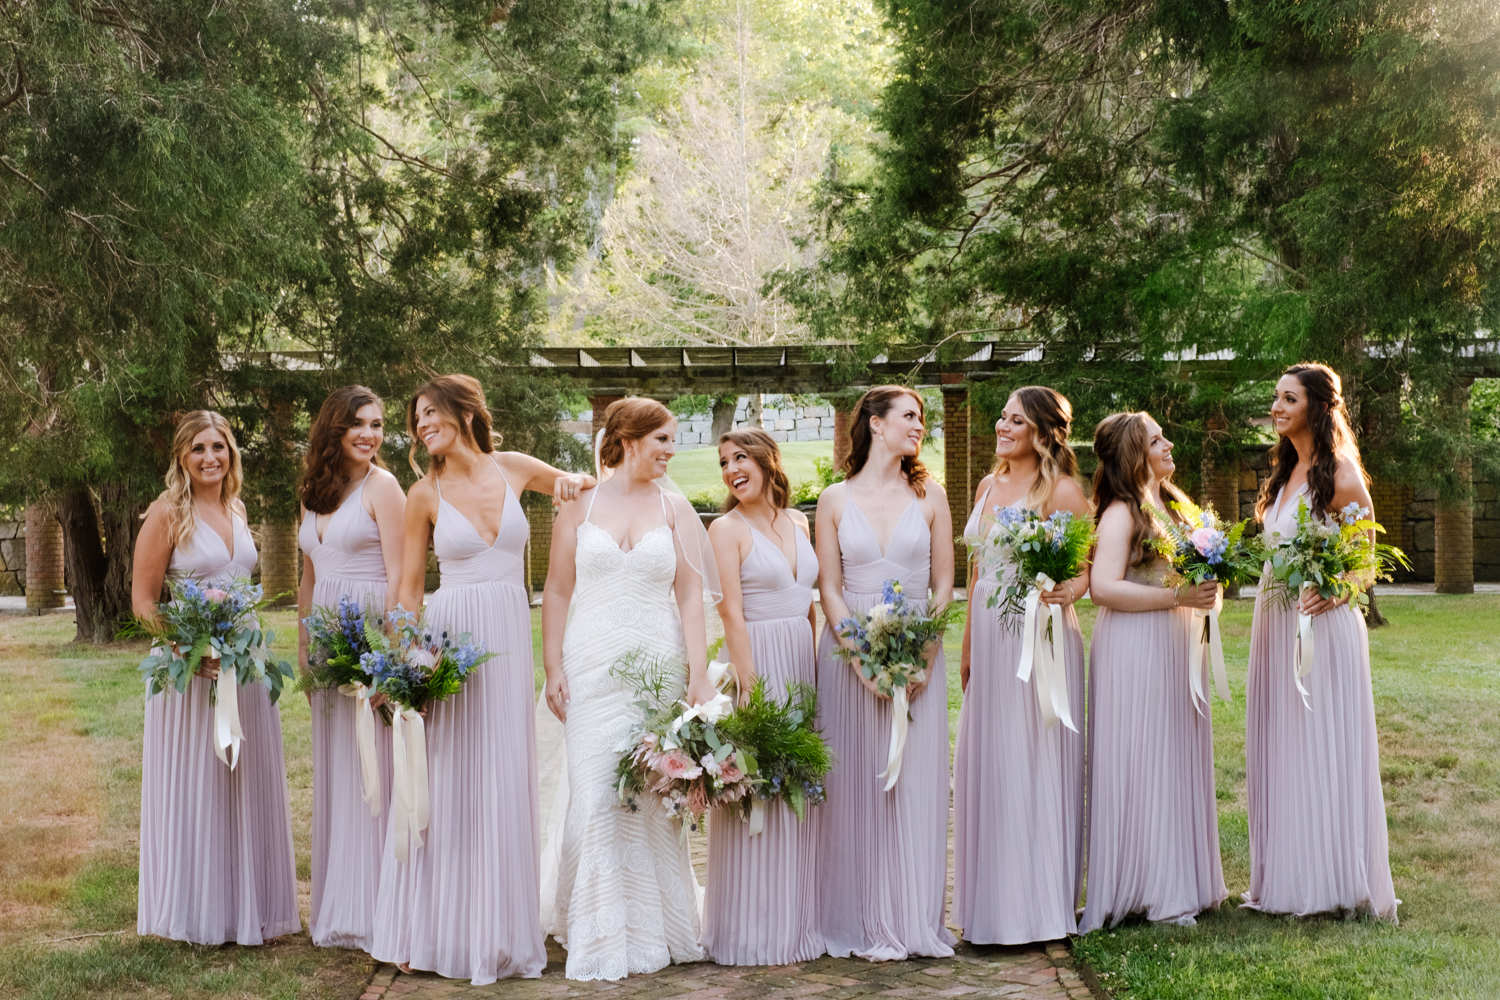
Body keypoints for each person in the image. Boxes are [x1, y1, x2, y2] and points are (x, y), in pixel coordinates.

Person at [370, 374, 592, 984]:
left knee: (501, 776)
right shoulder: (424, 492)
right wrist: (401, 667)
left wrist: (572, 482)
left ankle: (495, 932)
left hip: (507, 641)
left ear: (464, 412)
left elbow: (584, 487)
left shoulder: (514, 467)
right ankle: (427, 930)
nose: (420, 426)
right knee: (443, 780)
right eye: (415, 419)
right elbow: (410, 588)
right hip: (451, 641)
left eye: (429, 413)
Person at [541, 397, 715, 981]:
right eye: (663, 439)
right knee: (596, 794)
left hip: (658, 666)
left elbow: (691, 595)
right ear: (629, 439)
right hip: (589, 664)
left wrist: (697, 672)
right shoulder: (580, 506)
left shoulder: (675, 508)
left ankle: (658, 926)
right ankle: (598, 927)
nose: (671, 450)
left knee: (648, 793)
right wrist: (552, 665)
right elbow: (558, 591)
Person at [131, 410, 299, 945]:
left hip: (246, 665)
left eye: (219, 447)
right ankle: (194, 909)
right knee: (200, 783)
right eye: (199, 448)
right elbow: (142, 601)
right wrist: (185, 644)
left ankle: (249, 905)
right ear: (182, 456)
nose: (211, 458)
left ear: (232, 454)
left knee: (243, 779)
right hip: (192, 670)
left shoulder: (237, 506)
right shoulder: (165, 514)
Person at [1243, 363, 1398, 920]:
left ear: (1315, 407)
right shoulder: (1285, 473)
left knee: (1317, 742)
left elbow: (1366, 561)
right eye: (1275, 398)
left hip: (1321, 628)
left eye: (1288, 399)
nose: (1277, 407)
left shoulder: (1343, 475)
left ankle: (1329, 880)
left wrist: (1334, 593)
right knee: (1283, 743)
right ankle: (1286, 873)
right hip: (1276, 622)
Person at [814, 385, 956, 961]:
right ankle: (854, 914)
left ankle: (910, 915)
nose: (919, 426)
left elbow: (945, 585)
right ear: (875, 424)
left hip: (918, 653)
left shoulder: (931, 496)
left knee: (911, 785)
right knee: (855, 786)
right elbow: (829, 586)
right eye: (910, 417)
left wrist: (920, 655)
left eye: (921, 419)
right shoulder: (831, 499)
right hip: (849, 660)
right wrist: (860, 660)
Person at [1079, 411, 1227, 931]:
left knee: (1174, 754)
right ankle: (1146, 886)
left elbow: (1194, 574)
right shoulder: (1121, 512)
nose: (1167, 443)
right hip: (1135, 647)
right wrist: (1177, 596)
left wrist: (1210, 588)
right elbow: (1102, 589)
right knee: (1143, 756)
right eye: (1156, 438)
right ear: (1133, 453)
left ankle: (1184, 878)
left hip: (1175, 644)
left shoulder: (1174, 504)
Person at [953, 386, 1089, 945]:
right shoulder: (987, 485)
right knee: (993, 762)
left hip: (1040, 638)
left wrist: (1068, 593)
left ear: (1042, 432)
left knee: (1035, 761)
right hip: (989, 636)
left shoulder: (1061, 491)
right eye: (1001, 416)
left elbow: (1085, 571)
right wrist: (966, 646)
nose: (1002, 426)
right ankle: (993, 908)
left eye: (1015, 420)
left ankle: (1036, 909)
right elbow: (977, 571)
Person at [701, 428, 823, 965]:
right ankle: (749, 928)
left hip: (801, 659)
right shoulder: (725, 529)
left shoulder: (799, 520)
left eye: (740, 457)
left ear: (768, 461)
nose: (731, 470)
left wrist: (815, 664)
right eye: (725, 463)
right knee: (756, 786)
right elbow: (730, 611)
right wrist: (749, 684)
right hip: (758, 660)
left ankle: (795, 918)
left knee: (795, 787)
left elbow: (810, 601)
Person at [297, 386, 406, 950]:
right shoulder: (314, 491)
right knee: (340, 768)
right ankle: (342, 900)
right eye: (358, 424)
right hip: (326, 646)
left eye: (378, 425)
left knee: (375, 769)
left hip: (367, 642)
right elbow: (310, 577)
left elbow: (399, 576)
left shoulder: (384, 487)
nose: (370, 434)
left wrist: (385, 659)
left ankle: (379, 906)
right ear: (333, 430)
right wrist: (302, 648)